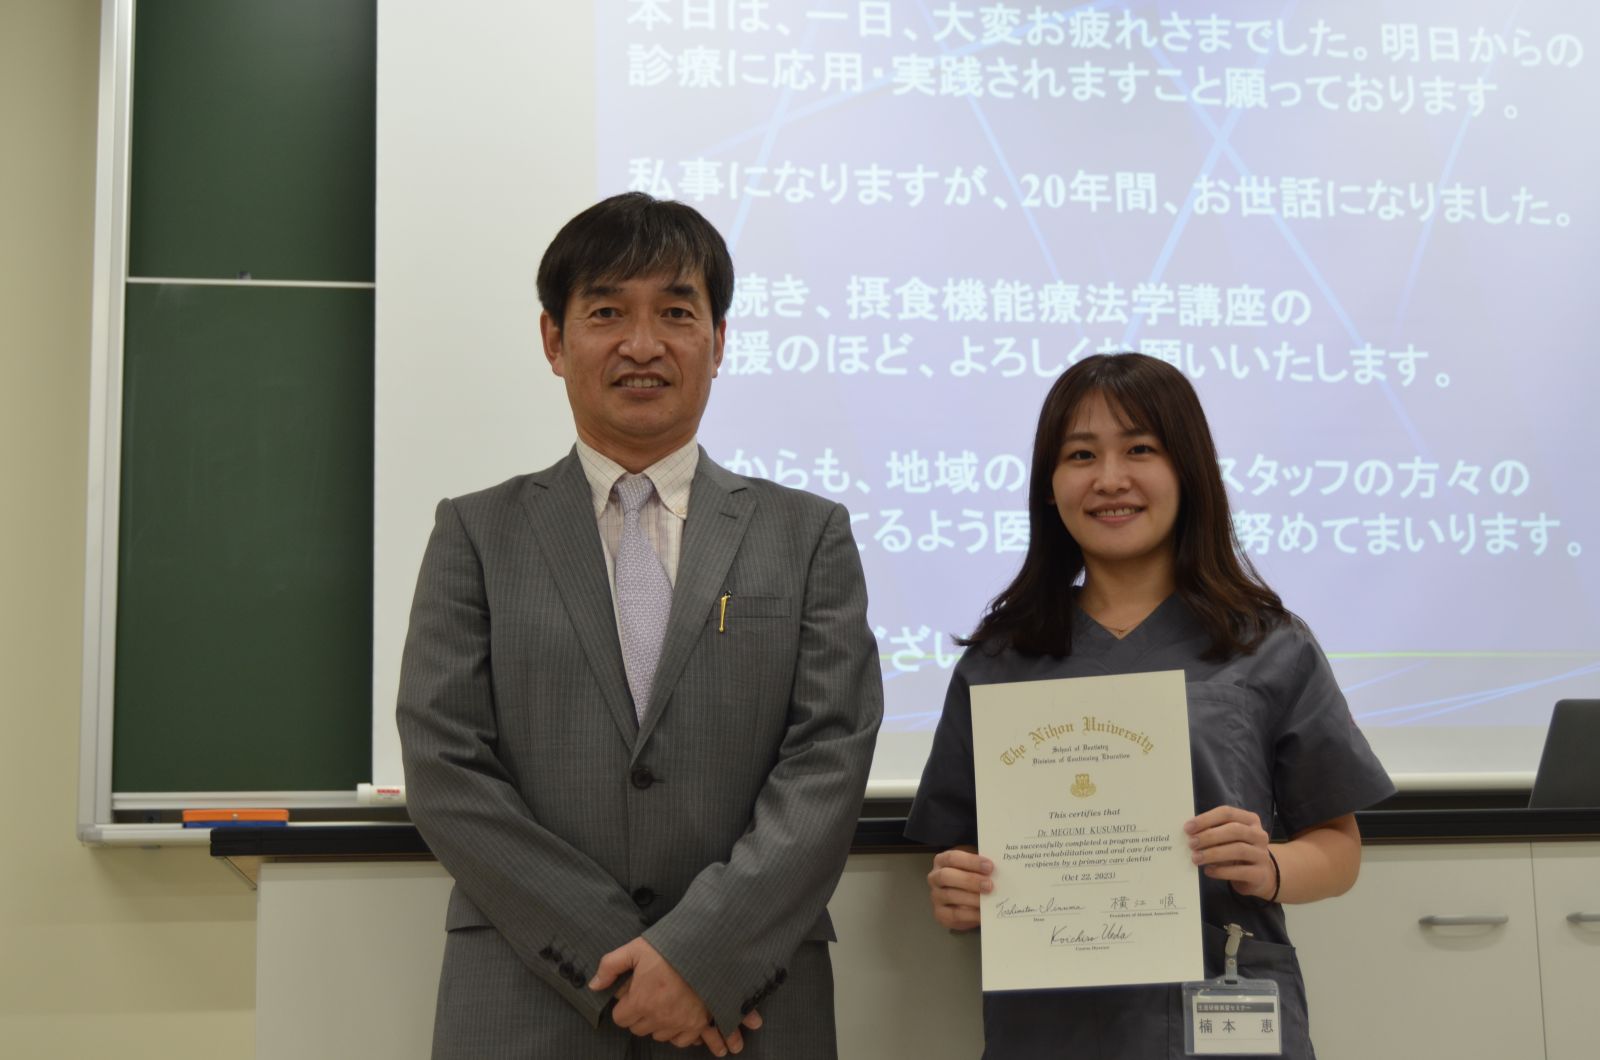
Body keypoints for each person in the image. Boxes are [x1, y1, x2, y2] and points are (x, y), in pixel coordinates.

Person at [397, 192, 882, 1059]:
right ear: (554, 340)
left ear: (719, 341)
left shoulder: (808, 535)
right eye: (607, 312)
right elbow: (446, 766)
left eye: (676, 313)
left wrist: (700, 956)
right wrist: (619, 961)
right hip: (527, 997)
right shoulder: (476, 533)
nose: (643, 343)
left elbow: (828, 760)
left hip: (746, 996)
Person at [906, 352, 1394, 1058]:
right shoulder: (1000, 660)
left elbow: (1339, 850)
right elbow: (958, 847)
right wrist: (957, 891)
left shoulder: (1268, 645)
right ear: (1050, 487)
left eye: (1140, 449)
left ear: (1188, 472)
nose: (1110, 479)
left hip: (1221, 1005)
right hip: (1050, 1025)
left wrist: (1270, 867)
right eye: (1081, 455)